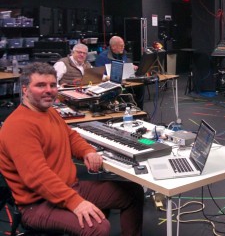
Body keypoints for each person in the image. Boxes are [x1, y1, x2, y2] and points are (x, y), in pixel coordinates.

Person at [0, 62, 144, 235]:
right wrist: (75, 202)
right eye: (40, 85)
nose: (49, 90)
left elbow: (70, 137)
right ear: (25, 90)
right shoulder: (19, 126)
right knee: (98, 228)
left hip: (68, 187)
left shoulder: (48, 112)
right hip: (37, 204)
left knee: (133, 193)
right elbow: (38, 177)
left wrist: (87, 151)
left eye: (52, 85)